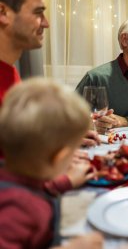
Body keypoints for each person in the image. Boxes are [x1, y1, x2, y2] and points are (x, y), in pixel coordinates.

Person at [0, 79, 103, 248]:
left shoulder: (14, 172)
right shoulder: (17, 209)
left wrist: (64, 182)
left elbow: (35, 186)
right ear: (60, 158)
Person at [0, 0, 100, 147]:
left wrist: (60, 142)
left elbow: (16, 146)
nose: (46, 23)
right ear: (3, 12)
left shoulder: (10, 72)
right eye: (38, 12)